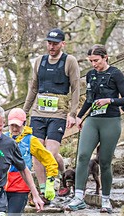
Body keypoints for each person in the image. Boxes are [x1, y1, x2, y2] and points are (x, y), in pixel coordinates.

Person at [67, 45, 124, 214]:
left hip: (110, 120)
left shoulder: (115, 74)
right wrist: (80, 116)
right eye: (91, 61)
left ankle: (105, 199)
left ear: (105, 57)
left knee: (104, 161)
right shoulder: (91, 75)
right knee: (82, 155)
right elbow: (89, 99)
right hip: (93, 119)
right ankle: (79, 197)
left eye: (96, 60)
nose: (94, 64)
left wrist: (109, 100)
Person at [23, 28, 81, 197]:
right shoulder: (39, 61)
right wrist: (24, 112)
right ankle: (43, 190)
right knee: (37, 152)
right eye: (49, 43)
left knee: (50, 153)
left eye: (55, 43)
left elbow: (76, 87)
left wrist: (73, 113)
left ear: (63, 44)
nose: (51, 46)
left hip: (58, 114)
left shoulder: (69, 61)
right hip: (38, 113)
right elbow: (33, 88)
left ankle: (64, 176)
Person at [4, 107, 58, 216]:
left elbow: (49, 160)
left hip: (20, 190)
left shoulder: (31, 140)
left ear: (24, 124)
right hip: (0, 188)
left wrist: (49, 182)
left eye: (17, 125)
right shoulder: (2, 139)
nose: (14, 129)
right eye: (12, 125)